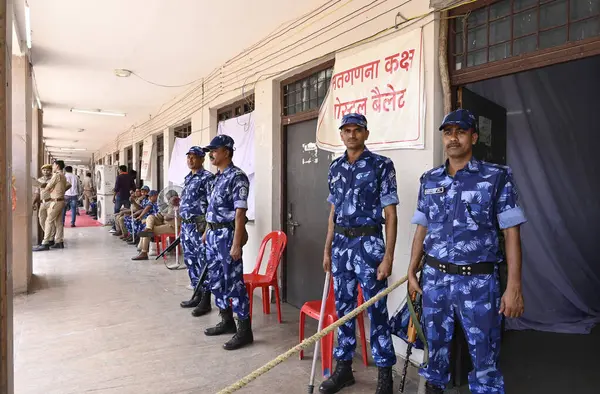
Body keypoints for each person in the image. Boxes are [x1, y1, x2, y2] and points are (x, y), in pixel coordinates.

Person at [407, 109, 527, 394]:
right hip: (435, 280)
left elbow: (512, 232)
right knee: (434, 354)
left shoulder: (496, 177)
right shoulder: (430, 179)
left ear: (473, 136)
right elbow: (422, 227)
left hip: (479, 284)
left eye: (460, 131)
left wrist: (514, 287)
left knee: (485, 358)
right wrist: (412, 270)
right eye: (448, 132)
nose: (453, 138)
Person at [319, 113, 398, 394]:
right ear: (341, 135)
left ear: (366, 133)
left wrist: (388, 256)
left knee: (376, 310)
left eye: (357, 130)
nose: (351, 134)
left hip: (369, 245)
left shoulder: (381, 166)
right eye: (347, 130)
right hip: (341, 246)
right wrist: (327, 248)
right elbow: (333, 212)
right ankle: (343, 370)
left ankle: (385, 376)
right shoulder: (336, 167)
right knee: (343, 309)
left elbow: (390, 213)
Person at [202, 135, 252, 351]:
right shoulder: (216, 178)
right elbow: (211, 209)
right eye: (210, 151)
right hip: (212, 236)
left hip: (227, 236)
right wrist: (206, 231)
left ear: (227, 152)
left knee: (234, 283)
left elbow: (240, 213)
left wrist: (236, 243)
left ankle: (244, 330)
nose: (211, 154)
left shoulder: (237, 177)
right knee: (216, 280)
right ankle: (226, 320)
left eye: (215, 150)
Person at [178, 147, 215, 316]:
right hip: (186, 226)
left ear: (202, 159)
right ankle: (197, 294)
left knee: (202, 262)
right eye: (188, 157)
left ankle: (205, 300)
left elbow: (212, 205)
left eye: (194, 157)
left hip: (199, 227)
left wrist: (208, 229)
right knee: (191, 261)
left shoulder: (207, 178)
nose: (190, 160)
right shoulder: (188, 178)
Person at [33, 160, 71, 251]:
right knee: (58, 222)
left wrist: (44, 187)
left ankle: (45, 242)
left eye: (53, 166)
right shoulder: (62, 175)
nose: (52, 168)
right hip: (58, 201)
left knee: (48, 221)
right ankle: (59, 241)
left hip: (55, 201)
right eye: (44, 170)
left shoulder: (56, 175)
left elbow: (48, 187)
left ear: (57, 166)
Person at [132, 191, 180, 261]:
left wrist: (165, 215)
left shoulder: (177, 206)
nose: (167, 200)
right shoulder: (168, 206)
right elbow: (159, 215)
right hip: (164, 224)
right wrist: (147, 220)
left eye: (168, 198)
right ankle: (148, 228)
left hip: (172, 227)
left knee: (147, 232)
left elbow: (168, 217)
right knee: (150, 217)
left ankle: (143, 252)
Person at [32, 164, 55, 246]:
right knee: (42, 220)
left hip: (51, 202)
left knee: (50, 221)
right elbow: (37, 193)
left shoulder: (53, 179)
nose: (46, 172)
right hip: (42, 203)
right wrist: (33, 203)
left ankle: (50, 239)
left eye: (48, 170)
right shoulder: (39, 180)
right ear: (42, 171)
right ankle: (48, 236)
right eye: (44, 170)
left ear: (51, 170)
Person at [112, 165, 136, 232]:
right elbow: (134, 187)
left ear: (121, 170)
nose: (118, 171)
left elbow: (116, 188)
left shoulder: (119, 177)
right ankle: (127, 229)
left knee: (116, 212)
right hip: (128, 197)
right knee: (127, 213)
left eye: (119, 170)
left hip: (120, 196)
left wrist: (113, 197)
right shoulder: (130, 177)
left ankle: (116, 228)